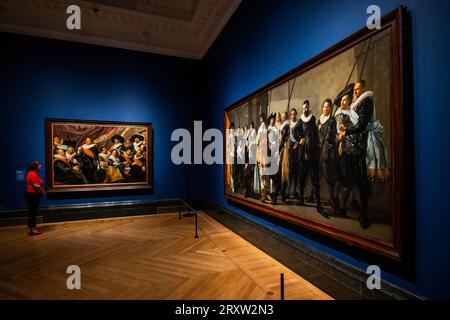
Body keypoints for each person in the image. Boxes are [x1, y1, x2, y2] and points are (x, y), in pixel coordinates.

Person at [337, 80, 373, 229]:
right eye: (355, 90)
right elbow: (349, 126)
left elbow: (361, 125)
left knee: (362, 182)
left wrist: (346, 131)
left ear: (363, 89)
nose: (356, 92)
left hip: (360, 149)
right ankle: (342, 208)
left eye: (358, 89)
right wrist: (342, 138)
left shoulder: (366, 102)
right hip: (348, 149)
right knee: (348, 179)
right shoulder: (352, 106)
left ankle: (364, 213)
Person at [296, 100, 328, 218]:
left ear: (309, 108)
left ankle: (319, 205)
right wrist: (300, 138)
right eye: (303, 108)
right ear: (302, 109)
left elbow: (315, 134)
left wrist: (318, 148)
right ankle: (300, 199)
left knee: (315, 180)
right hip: (304, 154)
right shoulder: (300, 121)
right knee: (302, 178)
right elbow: (294, 131)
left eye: (306, 108)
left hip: (313, 153)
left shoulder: (313, 119)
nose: (305, 109)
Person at [317, 99, 339, 209]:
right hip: (319, 150)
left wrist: (322, 129)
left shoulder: (332, 120)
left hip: (327, 152)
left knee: (328, 176)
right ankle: (314, 197)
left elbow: (332, 135)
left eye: (327, 107)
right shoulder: (319, 120)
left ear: (330, 108)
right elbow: (317, 135)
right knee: (318, 175)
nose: (325, 109)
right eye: (324, 107)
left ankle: (332, 199)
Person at [25, 160, 45, 235]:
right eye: (39, 165)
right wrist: (42, 192)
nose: (40, 166)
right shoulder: (33, 174)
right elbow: (36, 186)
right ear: (35, 167)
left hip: (31, 195)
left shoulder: (32, 173)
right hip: (32, 195)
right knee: (33, 213)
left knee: (32, 212)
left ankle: (31, 228)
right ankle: (33, 229)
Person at [267, 112, 280, 205]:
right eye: (271, 118)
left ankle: (274, 196)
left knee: (275, 176)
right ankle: (272, 193)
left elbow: (278, 141)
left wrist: (276, 151)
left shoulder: (276, 129)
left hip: (275, 154)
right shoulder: (267, 129)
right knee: (270, 176)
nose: (273, 120)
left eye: (274, 119)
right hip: (268, 154)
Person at [287, 108, 300, 199]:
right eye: (291, 114)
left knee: (296, 172)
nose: (293, 116)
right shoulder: (288, 124)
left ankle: (295, 190)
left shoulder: (299, 123)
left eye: (294, 114)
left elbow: (301, 135)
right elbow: (286, 135)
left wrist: (298, 143)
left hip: (297, 148)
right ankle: (288, 191)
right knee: (290, 171)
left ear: (296, 114)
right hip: (290, 148)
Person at [256, 113, 269, 202]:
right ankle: (264, 194)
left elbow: (258, 140)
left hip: (262, 152)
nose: (260, 119)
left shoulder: (262, 128)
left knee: (262, 175)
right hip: (263, 151)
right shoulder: (265, 127)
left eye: (260, 118)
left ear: (262, 119)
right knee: (264, 174)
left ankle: (263, 195)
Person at [278, 112, 290, 203]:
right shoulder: (283, 126)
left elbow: (282, 141)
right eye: (282, 117)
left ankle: (283, 196)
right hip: (284, 150)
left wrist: (278, 150)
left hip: (285, 152)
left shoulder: (286, 126)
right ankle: (282, 194)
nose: (282, 118)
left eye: (284, 117)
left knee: (283, 173)